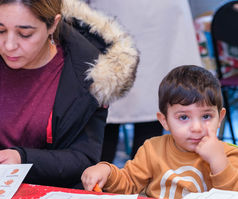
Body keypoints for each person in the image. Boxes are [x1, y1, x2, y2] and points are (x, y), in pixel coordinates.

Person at [0, 0, 139, 187]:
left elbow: (83, 158)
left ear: (53, 24)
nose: (9, 45)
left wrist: (23, 159)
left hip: (47, 195)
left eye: (25, 34)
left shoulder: (90, 74)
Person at [81, 65, 238, 199]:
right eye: (184, 117)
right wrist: (106, 171)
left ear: (220, 118)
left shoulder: (229, 154)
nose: (196, 127)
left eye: (206, 116)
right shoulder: (153, 150)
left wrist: (218, 161)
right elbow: (128, 184)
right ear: (164, 121)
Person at [87, 0, 202, 161]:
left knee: (149, 104)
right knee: (111, 109)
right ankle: (114, 180)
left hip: (149, 18)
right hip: (120, 16)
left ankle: (135, 181)